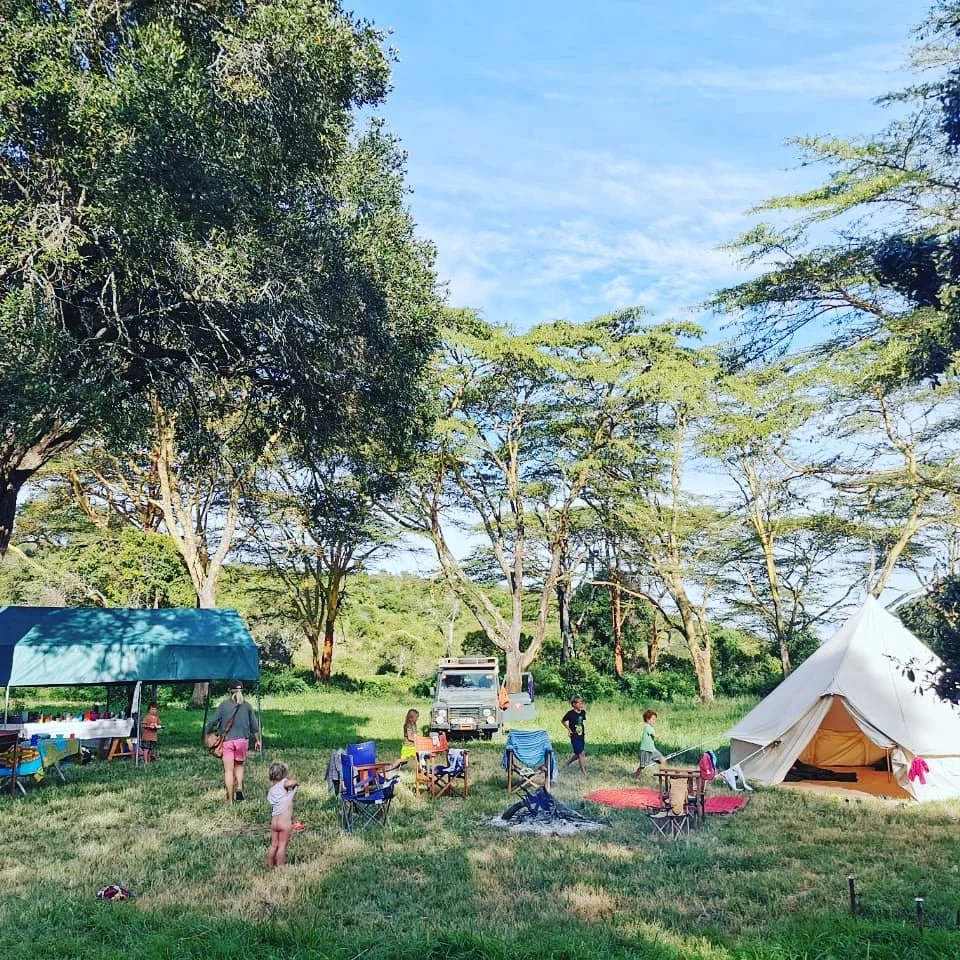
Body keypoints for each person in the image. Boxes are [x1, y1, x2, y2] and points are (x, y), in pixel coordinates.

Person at [205, 680, 261, 802]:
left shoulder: (224, 705)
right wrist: (258, 740)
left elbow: (212, 721)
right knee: (239, 765)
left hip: (227, 741)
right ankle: (239, 787)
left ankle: (230, 800)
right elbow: (255, 726)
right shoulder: (247, 706)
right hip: (242, 741)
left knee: (228, 771)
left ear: (229, 691)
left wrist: (207, 733)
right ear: (242, 691)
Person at [266, 761, 299, 868]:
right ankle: (280, 867)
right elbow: (290, 783)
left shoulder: (271, 790)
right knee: (282, 846)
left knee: (274, 845)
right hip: (284, 822)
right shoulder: (284, 783)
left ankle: (270, 864)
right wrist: (296, 783)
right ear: (281, 775)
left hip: (274, 822)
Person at [561, 695, 587, 774]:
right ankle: (584, 772)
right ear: (574, 704)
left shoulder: (583, 712)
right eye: (580, 703)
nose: (581, 704)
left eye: (582, 703)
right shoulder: (570, 714)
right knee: (581, 753)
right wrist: (569, 730)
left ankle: (567, 763)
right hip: (574, 736)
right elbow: (563, 721)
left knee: (578, 753)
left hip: (581, 735)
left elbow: (581, 723)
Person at [634, 709, 664, 778]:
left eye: (655, 719)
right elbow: (654, 735)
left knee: (662, 759)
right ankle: (636, 777)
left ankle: (662, 775)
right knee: (642, 766)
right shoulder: (647, 727)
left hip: (652, 749)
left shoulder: (651, 727)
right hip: (645, 750)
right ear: (647, 719)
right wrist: (661, 734)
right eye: (653, 719)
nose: (654, 721)